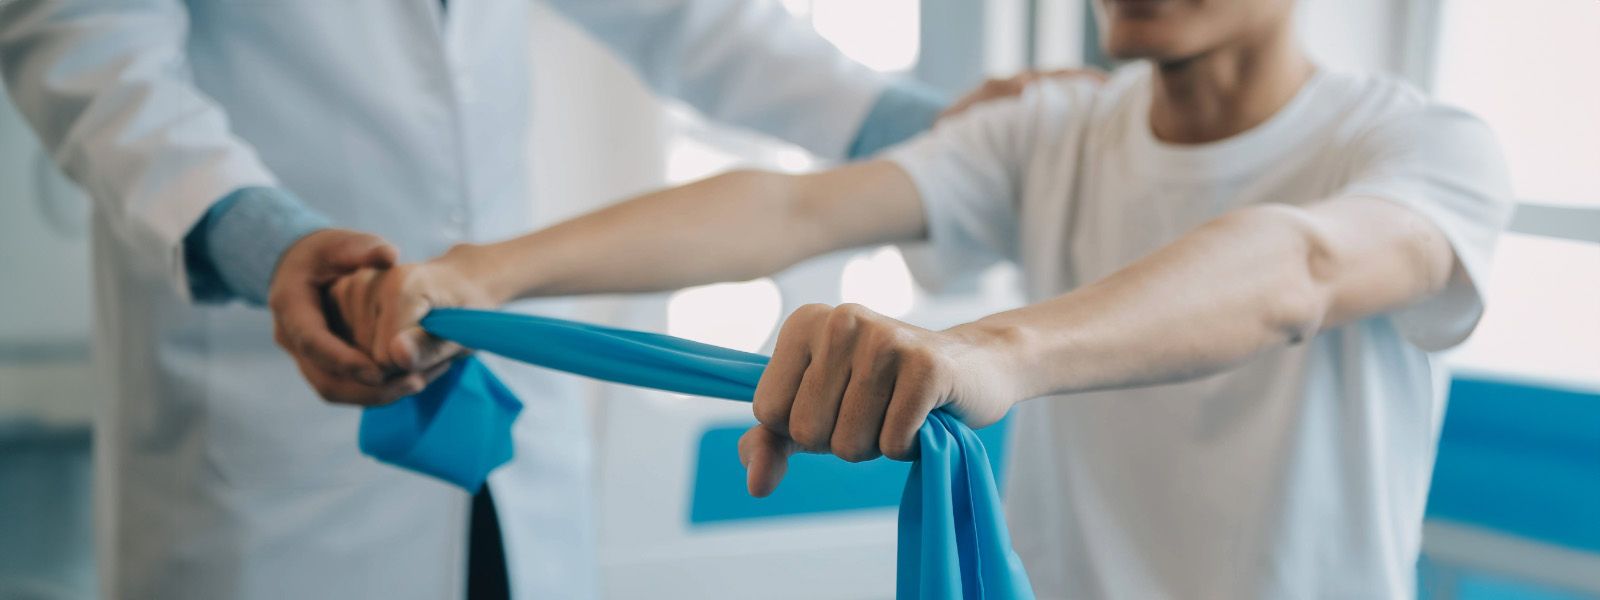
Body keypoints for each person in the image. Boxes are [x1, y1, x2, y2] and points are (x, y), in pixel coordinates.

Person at [324, 0, 1514, 597]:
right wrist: (479, 272)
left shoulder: (1423, 149)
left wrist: (994, 351)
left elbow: (1297, 270)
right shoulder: (1051, 130)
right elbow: (793, 210)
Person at [0, 1, 1061, 597]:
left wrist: (954, 137)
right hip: (274, 434)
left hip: (513, 429)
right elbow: (84, 39)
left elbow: (690, 20)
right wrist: (259, 237)